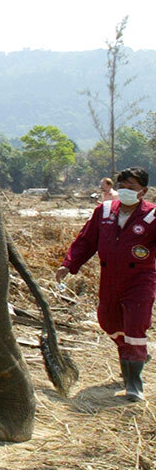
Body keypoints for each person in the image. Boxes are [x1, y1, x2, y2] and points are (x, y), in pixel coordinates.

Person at [56, 166, 156, 401]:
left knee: (135, 327)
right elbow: (86, 240)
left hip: (140, 280)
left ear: (144, 191)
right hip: (110, 278)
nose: (125, 191)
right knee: (108, 322)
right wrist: (69, 264)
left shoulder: (152, 216)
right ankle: (131, 352)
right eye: (122, 187)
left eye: (131, 188)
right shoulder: (105, 210)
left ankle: (133, 383)